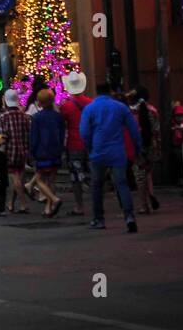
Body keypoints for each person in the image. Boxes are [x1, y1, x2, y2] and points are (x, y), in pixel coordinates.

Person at [79, 79, 142, 233]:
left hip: (98, 151)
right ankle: (129, 217)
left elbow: (84, 132)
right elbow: (134, 130)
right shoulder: (120, 107)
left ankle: (99, 219)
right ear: (110, 91)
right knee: (121, 184)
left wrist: (89, 147)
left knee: (97, 186)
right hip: (117, 151)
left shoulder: (90, 109)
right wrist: (138, 149)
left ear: (96, 91)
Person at [59, 71, 93, 216]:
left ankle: (79, 206)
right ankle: (97, 203)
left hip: (73, 144)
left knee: (75, 177)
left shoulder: (66, 106)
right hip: (90, 143)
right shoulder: (91, 103)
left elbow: (62, 125)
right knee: (94, 174)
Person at [29, 89, 65, 217]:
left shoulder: (37, 118)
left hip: (42, 152)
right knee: (51, 181)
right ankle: (48, 207)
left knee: (39, 179)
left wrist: (32, 151)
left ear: (39, 102)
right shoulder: (58, 117)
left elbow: (34, 137)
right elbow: (62, 134)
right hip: (56, 151)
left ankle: (54, 199)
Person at [0, 89, 32, 214]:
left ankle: (23, 203)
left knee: (15, 178)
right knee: (19, 177)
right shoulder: (25, 116)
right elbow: (28, 133)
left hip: (10, 150)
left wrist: (1, 151)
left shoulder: (3, 117)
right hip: (23, 150)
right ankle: (11, 203)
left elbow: (4, 136)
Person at [128, 86, 161, 214]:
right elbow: (157, 131)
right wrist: (158, 147)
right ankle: (151, 194)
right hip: (151, 146)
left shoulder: (131, 112)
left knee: (139, 176)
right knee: (148, 172)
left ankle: (144, 204)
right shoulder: (153, 110)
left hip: (138, 147)